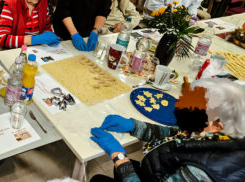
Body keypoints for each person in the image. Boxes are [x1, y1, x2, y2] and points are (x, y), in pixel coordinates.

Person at [89, 78, 245, 182]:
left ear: (218, 126)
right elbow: (180, 137)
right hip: (160, 170)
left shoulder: (203, 173)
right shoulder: (223, 134)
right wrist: (135, 126)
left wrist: (119, 156)